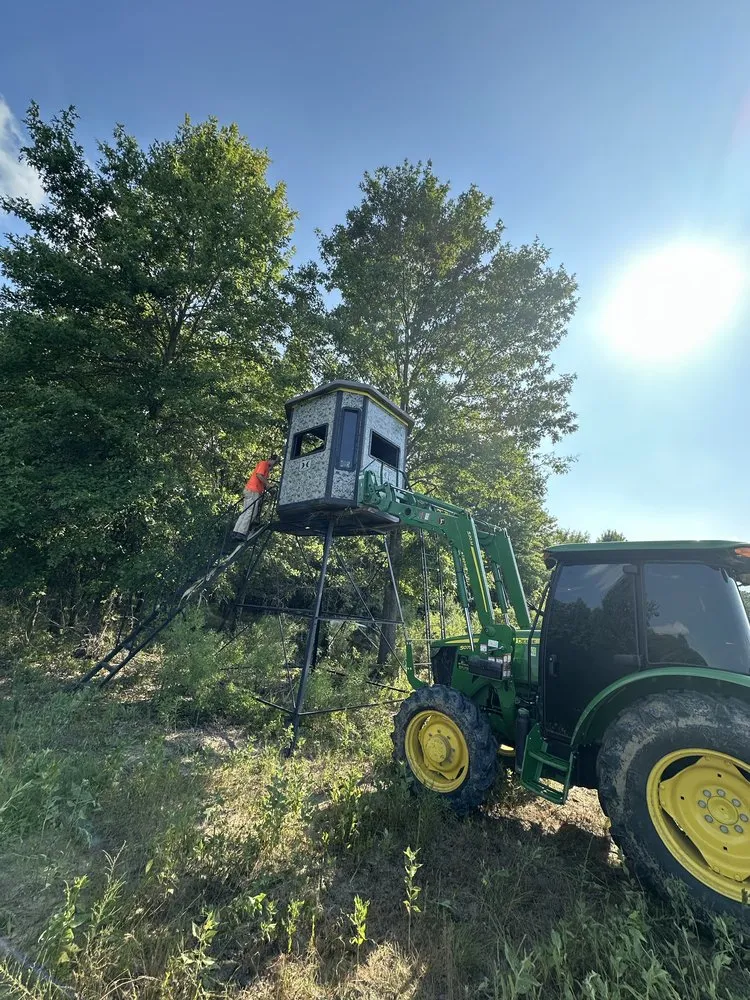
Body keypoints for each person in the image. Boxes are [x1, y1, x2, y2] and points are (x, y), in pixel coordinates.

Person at [232, 454, 279, 539]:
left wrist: (269, 488)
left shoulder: (266, 470)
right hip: (253, 490)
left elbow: (262, 482)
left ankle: (236, 532)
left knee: (246, 511)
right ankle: (241, 533)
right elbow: (259, 475)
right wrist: (268, 484)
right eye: (275, 462)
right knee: (251, 512)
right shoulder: (264, 464)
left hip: (250, 490)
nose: (275, 465)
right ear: (271, 460)